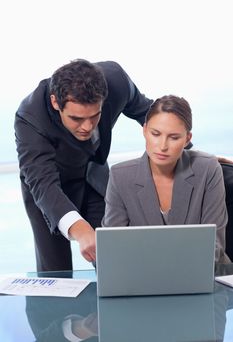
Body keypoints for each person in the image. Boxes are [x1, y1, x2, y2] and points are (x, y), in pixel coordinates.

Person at [14, 59, 153, 271]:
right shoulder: (30, 117)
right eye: (77, 119)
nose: (87, 127)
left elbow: (153, 115)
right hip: (48, 190)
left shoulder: (117, 81)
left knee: (116, 265)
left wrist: (191, 154)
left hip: (94, 177)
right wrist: (80, 229)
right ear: (55, 102)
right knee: (55, 275)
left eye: (94, 115)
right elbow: (42, 184)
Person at [102, 95, 230, 263]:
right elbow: (112, 247)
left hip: (205, 273)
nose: (162, 146)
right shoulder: (120, 176)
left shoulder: (208, 168)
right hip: (143, 276)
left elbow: (215, 246)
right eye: (155, 134)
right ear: (145, 131)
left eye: (174, 137)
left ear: (187, 139)